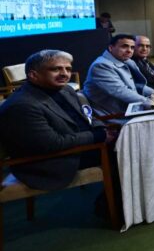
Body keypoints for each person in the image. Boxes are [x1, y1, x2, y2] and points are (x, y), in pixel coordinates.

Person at [0, 50, 117, 191]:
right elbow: (51, 143)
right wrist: (97, 136)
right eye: (55, 69)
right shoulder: (22, 105)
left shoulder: (65, 89)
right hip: (50, 163)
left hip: (79, 145)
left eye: (68, 69)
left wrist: (101, 129)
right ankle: (114, 205)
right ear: (33, 75)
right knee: (127, 155)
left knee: (132, 144)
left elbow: (88, 115)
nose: (65, 74)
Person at [83, 34, 153, 116]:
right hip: (114, 115)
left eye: (132, 47)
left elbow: (137, 85)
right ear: (111, 48)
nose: (129, 50)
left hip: (129, 108)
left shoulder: (126, 61)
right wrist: (152, 102)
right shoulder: (101, 66)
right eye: (124, 46)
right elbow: (121, 91)